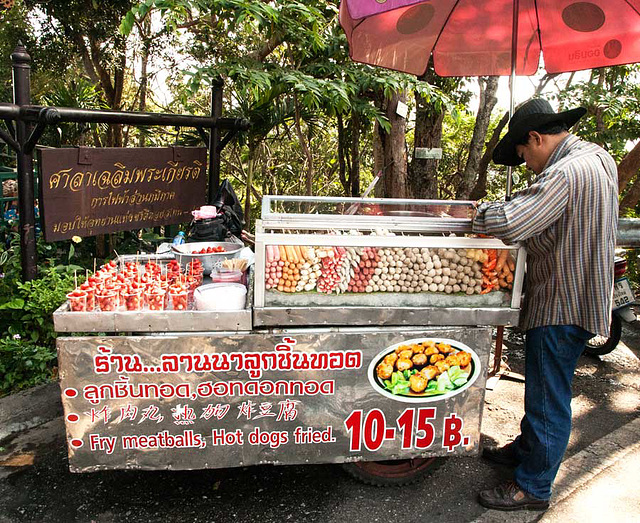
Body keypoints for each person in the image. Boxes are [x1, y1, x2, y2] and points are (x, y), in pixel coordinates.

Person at [472, 98, 619, 511]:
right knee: (545, 387)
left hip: (561, 300)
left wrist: (476, 213)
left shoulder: (567, 172)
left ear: (536, 138)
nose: (528, 164)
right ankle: (528, 448)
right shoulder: (598, 157)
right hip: (583, 293)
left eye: (524, 155)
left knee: (547, 396)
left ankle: (533, 486)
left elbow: (510, 222)